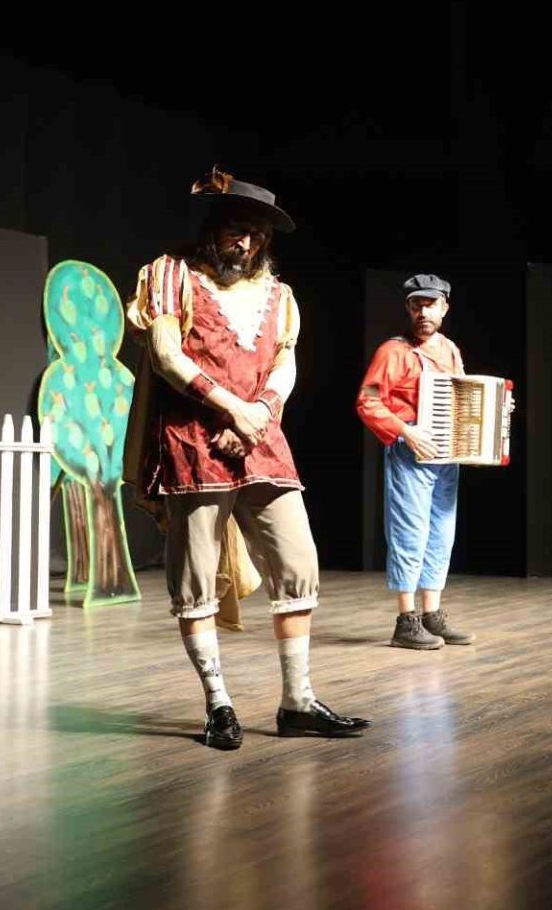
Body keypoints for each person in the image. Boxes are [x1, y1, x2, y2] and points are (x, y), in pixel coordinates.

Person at [124, 166, 369, 748]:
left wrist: (258, 413)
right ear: (213, 229)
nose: (247, 242)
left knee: (298, 563)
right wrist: (231, 409)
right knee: (196, 576)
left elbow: (285, 362)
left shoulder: (279, 294)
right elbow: (166, 355)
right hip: (194, 441)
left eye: (257, 234)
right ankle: (219, 704)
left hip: (261, 440)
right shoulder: (171, 276)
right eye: (237, 230)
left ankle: (297, 701)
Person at [355, 274, 482, 650]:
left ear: (444, 308)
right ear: (408, 309)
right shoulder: (392, 351)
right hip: (410, 450)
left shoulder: (450, 350)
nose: (423, 312)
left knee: (441, 532)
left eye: (430, 305)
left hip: (445, 453)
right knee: (409, 532)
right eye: (416, 305)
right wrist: (405, 432)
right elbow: (367, 400)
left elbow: (462, 397)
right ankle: (406, 619)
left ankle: (432, 614)